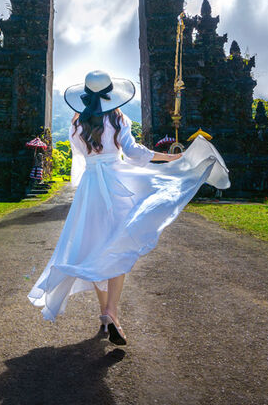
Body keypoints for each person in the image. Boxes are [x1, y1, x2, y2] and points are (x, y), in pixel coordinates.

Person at [27, 70, 230, 345]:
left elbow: (82, 156)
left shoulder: (77, 123)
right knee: (118, 246)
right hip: (116, 184)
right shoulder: (117, 118)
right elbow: (134, 153)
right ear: (111, 94)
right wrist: (171, 158)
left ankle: (104, 313)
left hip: (90, 190)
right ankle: (112, 311)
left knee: (95, 248)